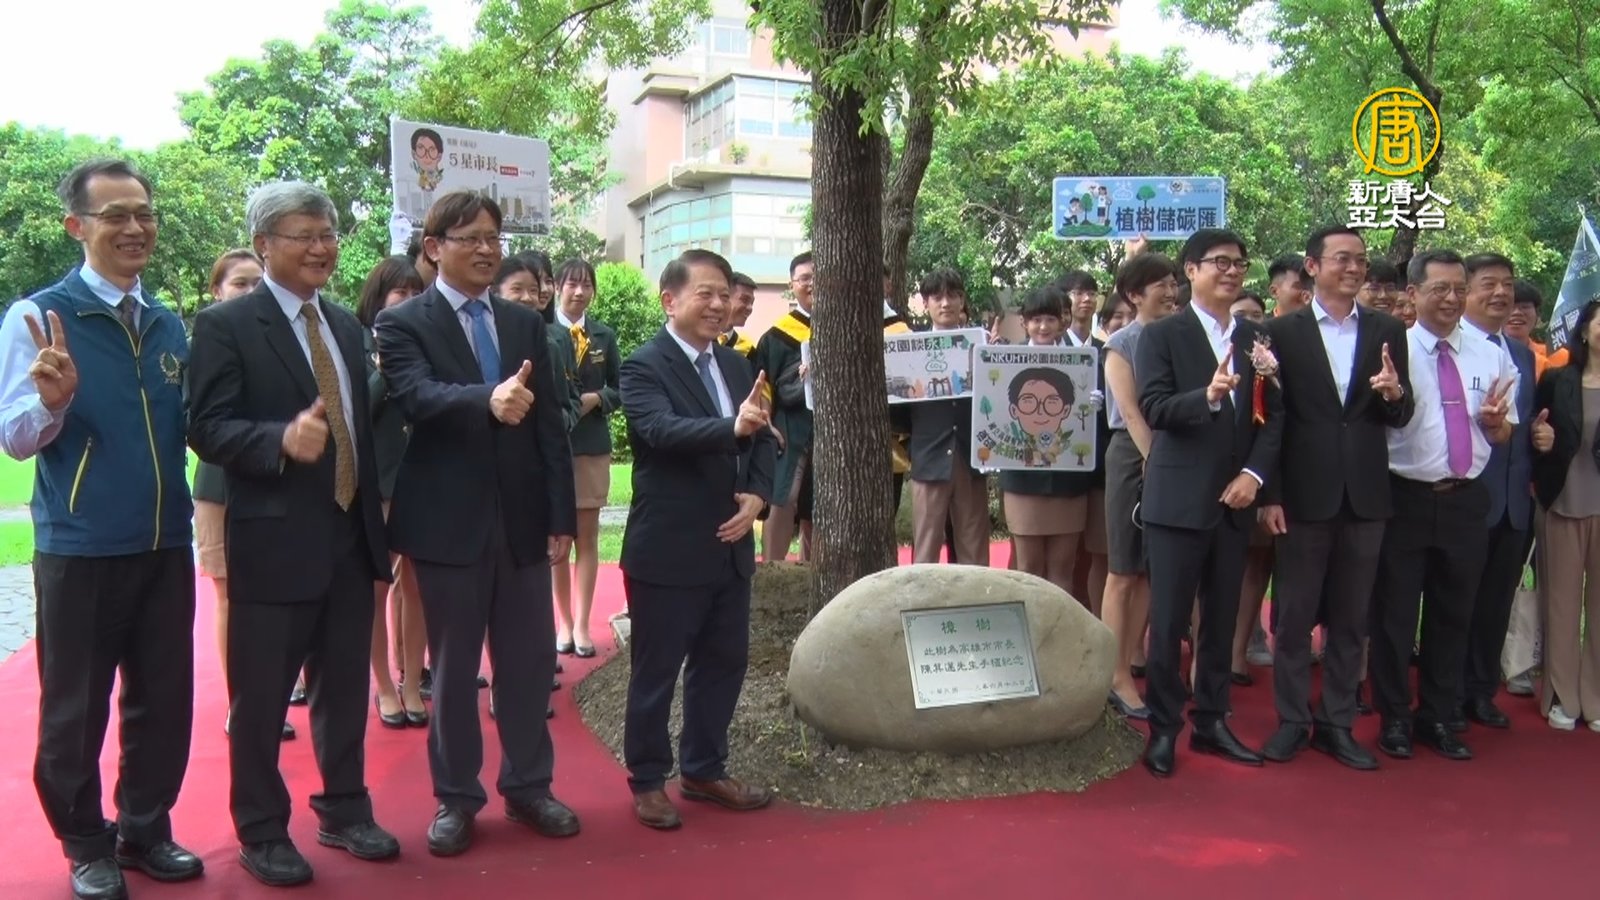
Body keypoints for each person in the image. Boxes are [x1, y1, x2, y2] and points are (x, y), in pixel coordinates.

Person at [189, 181, 400, 886]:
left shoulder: (344, 324)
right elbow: (205, 426)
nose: (321, 247)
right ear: (263, 244)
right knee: (263, 700)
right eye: (304, 234)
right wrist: (279, 438)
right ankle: (262, 831)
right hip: (274, 543)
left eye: (329, 233)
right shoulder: (227, 325)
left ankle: (344, 809)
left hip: (348, 539)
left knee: (343, 691)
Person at [2, 158, 201, 900]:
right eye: (114, 214)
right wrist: (52, 403)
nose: (134, 227)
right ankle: (86, 842)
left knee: (164, 697)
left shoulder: (168, 321)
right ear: (75, 226)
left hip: (163, 543)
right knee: (74, 709)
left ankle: (144, 828)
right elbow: (16, 437)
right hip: (80, 548)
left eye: (143, 212)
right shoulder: (38, 316)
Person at [376, 191, 581, 856]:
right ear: (434, 247)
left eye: (494, 236)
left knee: (527, 665)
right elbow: (416, 397)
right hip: (446, 526)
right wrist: (484, 399)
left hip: (522, 523)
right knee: (457, 670)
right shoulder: (405, 325)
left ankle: (529, 787)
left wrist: (559, 515)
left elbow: (550, 426)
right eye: (470, 239)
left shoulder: (526, 326)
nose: (488, 249)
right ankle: (457, 799)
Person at [618, 248, 777, 830]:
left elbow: (763, 440)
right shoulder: (643, 365)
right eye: (705, 294)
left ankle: (704, 768)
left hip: (731, 548)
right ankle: (647, 780)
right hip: (670, 549)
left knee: (723, 662)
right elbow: (659, 430)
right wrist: (729, 427)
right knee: (656, 671)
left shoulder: (737, 366)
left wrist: (759, 498)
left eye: (724, 294)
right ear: (671, 300)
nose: (719, 304)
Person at [1257, 225, 1412, 770]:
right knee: (1294, 619)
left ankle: (1338, 723)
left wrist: (1395, 395)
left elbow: (1399, 413)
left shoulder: (1388, 329)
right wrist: (1269, 494)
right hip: (1301, 496)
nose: (1354, 268)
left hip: (1367, 497)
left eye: (1361, 260)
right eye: (1342, 258)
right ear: (1312, 265)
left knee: (1352, 620)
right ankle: (1293, 722)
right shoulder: (1282, 334)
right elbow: (1270, 421)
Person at [1135, 228, 1284, 778]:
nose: (1230, 272)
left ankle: (1214, 721)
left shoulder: (1255, 339)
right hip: (1177, 501)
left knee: (1221, 621)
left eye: (1239, 263)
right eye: (1218, 262)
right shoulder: (1163, 335)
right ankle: (1163, 728)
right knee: (1171, 621)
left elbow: (1276, 416)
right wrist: (1209, 396)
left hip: (1235, 500)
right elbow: (1153, 407)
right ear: (1190, 271)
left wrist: (1254, 475)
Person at [1368, 249, 1517, 762]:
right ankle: (1394, 719)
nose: (1452, 299)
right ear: (1413, 294)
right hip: (1404, 497)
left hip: (1465, 500)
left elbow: (1501, 430)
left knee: (1454, 615)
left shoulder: (1490, 352)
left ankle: (1437, 715)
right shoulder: (1392, 350)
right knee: (1394, 616)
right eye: (1440, 289)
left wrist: (1499, 424)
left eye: (1459, 288)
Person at [195, 249, 298, 741]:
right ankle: (242, 701)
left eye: (257, 282)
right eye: (239, 283)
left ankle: (277, 688)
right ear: (217, 290)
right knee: (227, 593)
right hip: (220, 482)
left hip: (275, 482)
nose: (250, 290)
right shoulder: (214, 333)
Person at [1456, 253, 1537, 732]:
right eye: (1489, 284)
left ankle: (1481, 691)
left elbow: (1524, 425)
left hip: (1513, 504)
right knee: (1455, 603)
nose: (1501, 293)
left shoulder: (1522, 353)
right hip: (1465, 498)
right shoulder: (1452, 347)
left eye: (1507, 284)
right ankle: (1445, 691)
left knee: (1495, 604)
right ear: (1465, 290)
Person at [1102, 251, 1180, 720]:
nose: (1171, 292)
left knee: (1153, 569)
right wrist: (1155, 459)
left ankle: (1134, 654)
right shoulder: (1121, 343)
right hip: (1135, 456)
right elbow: (1131, 413)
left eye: (1173, 283)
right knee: (1123, 570)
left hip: (1175, 455)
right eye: (1160, 285)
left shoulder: (1181, 334)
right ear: (1134, 295)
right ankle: (1114, 676)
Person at [354, 257, 428, 729]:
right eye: (400, 294)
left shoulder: (429, 341)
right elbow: (355, 408)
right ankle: (383, 684)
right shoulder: (355, 341)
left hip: (422, 481)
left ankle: (414, 683)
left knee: (417, 588)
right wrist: (385, 366)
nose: (409, 301)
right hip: (376, 482)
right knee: (376, 588)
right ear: (379, 298)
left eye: (415, 293)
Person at [1530, 299, 1600, 731]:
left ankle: (1595, 698)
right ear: (1587, 329)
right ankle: (1563, 697)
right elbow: (1533, 434)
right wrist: (1540, 438)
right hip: (1563, 502)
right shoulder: (1558, 380)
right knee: (1560, 603)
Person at [552, 258, 620, 658]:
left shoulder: (603, 336)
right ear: (558, 287)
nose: (579, 292)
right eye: (572, 284)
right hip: (554, 447)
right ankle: (561, 621)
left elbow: (620, 385)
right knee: (558, 540)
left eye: (586, 285)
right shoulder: (542, 332)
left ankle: (582, 624)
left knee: (587, 538)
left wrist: (598, 399)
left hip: (592, 445)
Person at [753, 252, 816, 561]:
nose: (812, 283)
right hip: (790, 428)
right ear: (793, 286)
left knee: (822, 503)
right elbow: (762, 383)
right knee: (783, 497)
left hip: (832, 432)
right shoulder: (777, 336)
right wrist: (767, 422)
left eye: (818, 276)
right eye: (805, 278)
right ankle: (772, 567)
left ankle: (815, 571)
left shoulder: (848, 326)